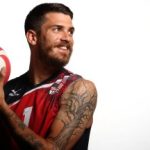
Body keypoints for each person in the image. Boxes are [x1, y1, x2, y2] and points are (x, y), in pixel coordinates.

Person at [0, 3, 97, 150]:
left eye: (70, 32)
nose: (67, 38)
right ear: (33, 37)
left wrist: (2, 107)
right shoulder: (6, 90)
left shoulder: (79, 88)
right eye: (57, 29)